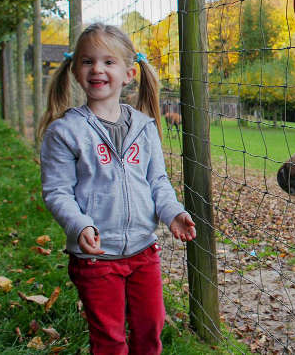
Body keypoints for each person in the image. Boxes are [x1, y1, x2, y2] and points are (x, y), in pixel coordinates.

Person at [37, 23, 196, 354]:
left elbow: (158, 182)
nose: (97, 69)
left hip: (143, 253)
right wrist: (79, 224)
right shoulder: (66, 132)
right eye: (87, 61)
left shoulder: (145, 126)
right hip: (96, 258)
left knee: (150, 330)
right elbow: (57, 192)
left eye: (108, 62)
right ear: (75, 69)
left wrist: (173, 212)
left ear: (128, 73)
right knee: (109, 340)